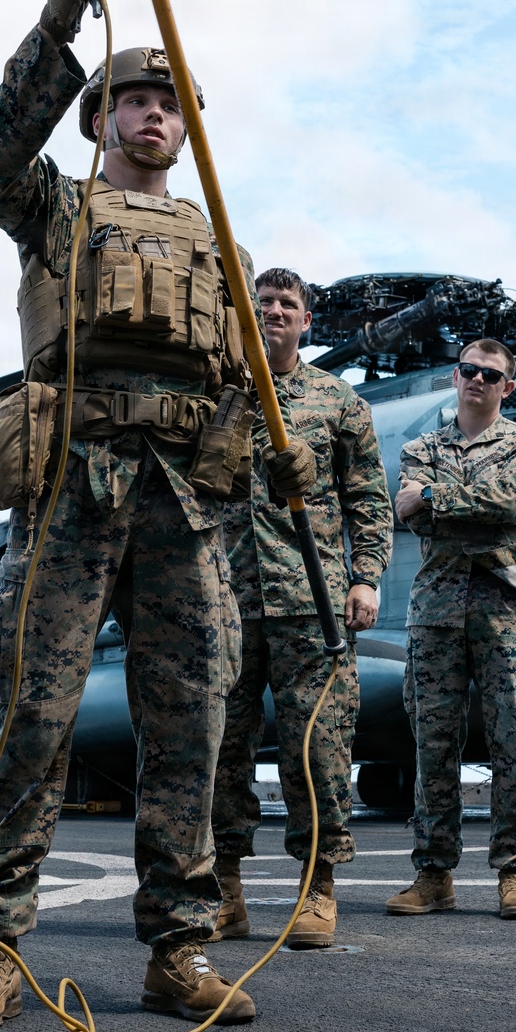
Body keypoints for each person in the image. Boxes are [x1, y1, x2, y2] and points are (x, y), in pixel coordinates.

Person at [0, 0, 316, 1032]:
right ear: (102, 117)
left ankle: (179, 948)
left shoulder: (220, 244)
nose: (155, 113)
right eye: (134, 99)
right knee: (37, 720)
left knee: (193, 726)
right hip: (72, 487)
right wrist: (57, 25)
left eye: (170, 103)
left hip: (185, 507)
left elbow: (245, 370)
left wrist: (251, 451)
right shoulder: (57, 210)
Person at [211, 268, 392, 948]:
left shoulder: (337, 401)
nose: (276, 312)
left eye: (288, 304)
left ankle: (317, 888)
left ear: (308, 321)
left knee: (316, 752)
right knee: (219, 753)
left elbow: (369, 499)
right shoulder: (223, 395)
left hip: (309, 605)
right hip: (227, 602)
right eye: (265, 304)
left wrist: (365, 578)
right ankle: (224, 889)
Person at [386, 338, 516, 920]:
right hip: (435, 614)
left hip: (507, 613)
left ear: (507, 386)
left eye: (490, 374)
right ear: (454, 378)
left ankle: (514, 873)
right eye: (467, 370)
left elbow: (512, 501)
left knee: (514, 742)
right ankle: (433, 874)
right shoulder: (419, 445)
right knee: (434, 747)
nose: (476, 380)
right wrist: (444, 503)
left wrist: (432, 494)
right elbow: (406, 514)